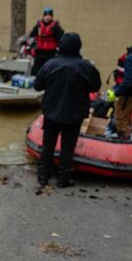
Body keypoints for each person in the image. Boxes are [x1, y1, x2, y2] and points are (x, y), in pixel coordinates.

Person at [33, 33, 101, 188]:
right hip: (74, 113)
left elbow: (37, 85)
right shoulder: (86, 66)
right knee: (68, 146)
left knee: (48, 145)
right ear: (78, 47)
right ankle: (63, 178)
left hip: (52, 112)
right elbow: (95, 86)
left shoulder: (50, 64)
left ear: (60, 46)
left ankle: (43, 177)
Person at [28, 7, 64, 75]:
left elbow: (61, 39)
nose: (47, 17)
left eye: (49, 16)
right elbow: (31, 36)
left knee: (49, 70)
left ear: (52, 16)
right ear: (43, 16)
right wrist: (31, 50)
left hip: (51, 53)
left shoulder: (56, 26)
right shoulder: (38, 25)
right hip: (39, 52)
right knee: (37, 70)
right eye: (46, 15)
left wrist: (59, 50)